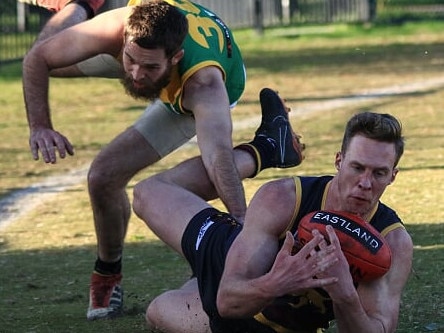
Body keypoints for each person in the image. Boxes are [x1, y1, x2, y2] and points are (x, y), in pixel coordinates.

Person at [22, 0, 304, 320]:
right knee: (49, 56)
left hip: (194, 82)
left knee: (108, 175)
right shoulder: (120, 26)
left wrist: (241, 228)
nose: (137, 75)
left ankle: (267, 149)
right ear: (124, 39)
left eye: (150, 68)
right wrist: (40, 127)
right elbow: (38, 60)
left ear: (175, 57)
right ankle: (82, 4)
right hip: (152, 48)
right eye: (129, 60)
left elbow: (218, 160)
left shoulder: (203, 86)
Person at [132, 110, 413, 332]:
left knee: (158, 310)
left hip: (242, 324)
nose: (365, 183)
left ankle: (195, 286)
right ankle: (266, 149)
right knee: (147, 192)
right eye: (357, 167)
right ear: (339, 161)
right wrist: (280, 281)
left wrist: (345, 294)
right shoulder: (284, 198)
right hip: (229, 255)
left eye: (378, 173)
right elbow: (229, 300)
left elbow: (378, 327)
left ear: (393, 176)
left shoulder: (391, 243)